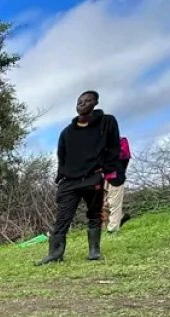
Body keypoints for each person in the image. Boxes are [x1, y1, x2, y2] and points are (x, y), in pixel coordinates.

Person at [37, 90, 121, 265]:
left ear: (95, 103)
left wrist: (107, 170)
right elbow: (62, 155)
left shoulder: (107, 122)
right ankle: (55, 253)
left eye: (87, 101)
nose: (82, 104)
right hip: (70, 180)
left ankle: (94, 250)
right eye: (79, 101)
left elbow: (114, 146)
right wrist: (61, 176)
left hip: (93, 176)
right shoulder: (67, 132)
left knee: (94, 214)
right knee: (62, 218)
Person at [104, 136, 131, 233]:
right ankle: (120, 218)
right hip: (100, 177)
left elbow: (125, 157)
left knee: (114, 203)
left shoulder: (120, 141)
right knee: (103, 204)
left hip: (115, 175)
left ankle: (112, 230)